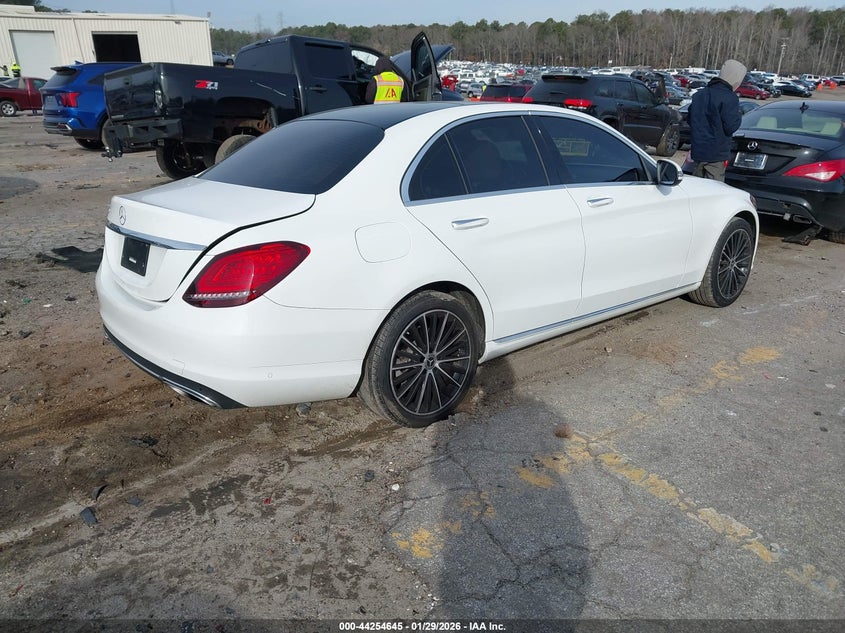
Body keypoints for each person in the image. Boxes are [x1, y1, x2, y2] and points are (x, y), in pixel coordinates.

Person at [688, 59, 747, 181]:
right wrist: (739, 115)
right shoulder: (730, 98)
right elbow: (730, 126)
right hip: (716, 155)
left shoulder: (699, 95)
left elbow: (690, 119)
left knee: (697, 188)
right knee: (714, 190)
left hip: (698, 151)